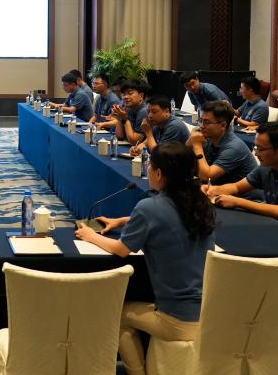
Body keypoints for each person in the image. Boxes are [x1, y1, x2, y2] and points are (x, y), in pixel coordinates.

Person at [76, 143, 215, 375]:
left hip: (176, 321)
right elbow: (169, 217)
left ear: (159, 173)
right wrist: (123, 221)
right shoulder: (201, 202)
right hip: (210, 314)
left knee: (116, 314)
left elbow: (121, 250)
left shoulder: (149, 207)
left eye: (150, 166)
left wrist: (91, 235)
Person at [190, 101, 255, 186]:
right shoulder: (210, 139)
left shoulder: (234, 147)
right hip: (220, 190)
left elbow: (206, 177)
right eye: (200, 121)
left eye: (207, 122)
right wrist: (189, 143)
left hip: (243, 194)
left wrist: (197, 145)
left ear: (223, 125)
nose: (201, 126)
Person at [113, 80, 150, 145]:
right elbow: (119, 136)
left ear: (141, 96)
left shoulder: (144, 111)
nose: (125, 97)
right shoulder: (129, 108)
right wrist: (120, 118)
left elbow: (134, 142)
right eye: (124, 94)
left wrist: (125, 119)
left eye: (130, 93)